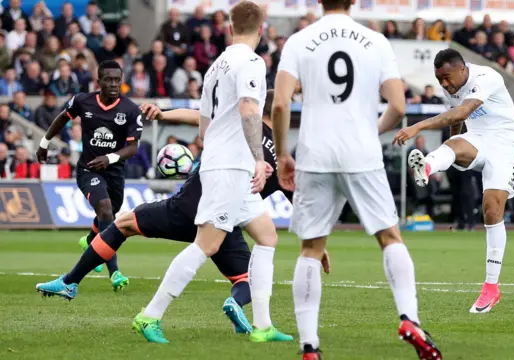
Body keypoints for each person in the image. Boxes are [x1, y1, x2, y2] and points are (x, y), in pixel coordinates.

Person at [35, 89, 311, 334]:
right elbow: (297, 198)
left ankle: (72, 282)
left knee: (124, 224)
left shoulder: (237, 128)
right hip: (225, 221)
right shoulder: (283, 161)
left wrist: (163, 115)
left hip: (189, 208)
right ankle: (235, 302)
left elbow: (197, 117)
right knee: (247, 278)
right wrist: (315, 245)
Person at [271, 0, 442, 358]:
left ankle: (309, 347)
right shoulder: (375, 41)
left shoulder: (299, 41)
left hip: (314, 154)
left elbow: (281, 104)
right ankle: (409, 318)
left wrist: (283, 154)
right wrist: (369, 131)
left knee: (311, 249)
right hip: (361, 153)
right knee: (390, 236)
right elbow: (398, 106)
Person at [132, 1, 290, 344]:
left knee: (267, 236)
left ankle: (263, 326)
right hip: (232, 166)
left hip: (227, 163)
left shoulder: (216, 66)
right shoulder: (251, 62)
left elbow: (205, 127)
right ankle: (150, 315)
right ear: (261, 30)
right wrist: (258, 158)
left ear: (229, 28)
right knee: (207, 243)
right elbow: (250, 110)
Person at [394, 49, 514, 313]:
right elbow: (456, 118)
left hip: (505, 142)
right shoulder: (452, 85)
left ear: (462, 69)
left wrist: (417, 127)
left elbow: (461, 112)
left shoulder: (486, 76)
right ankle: (427, 167)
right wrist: (451, 150)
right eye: (438, 78)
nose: (444, 83)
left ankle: (491, 287)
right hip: (478, 138)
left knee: (491, 208)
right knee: (451, 145)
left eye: (446, 77)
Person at [36, 60, 141, 291]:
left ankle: (90, 240)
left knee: (109, 214)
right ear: (99, 82)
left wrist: (110, 158)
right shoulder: (83, 101)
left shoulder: (131, 109)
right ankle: (115, 272)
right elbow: (63, 117)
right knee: (104, 208)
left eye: (117, 80)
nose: (114, 84)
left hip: (114, 171)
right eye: (109, 80)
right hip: (88, 169)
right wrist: (44, 143)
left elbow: (133, 148)